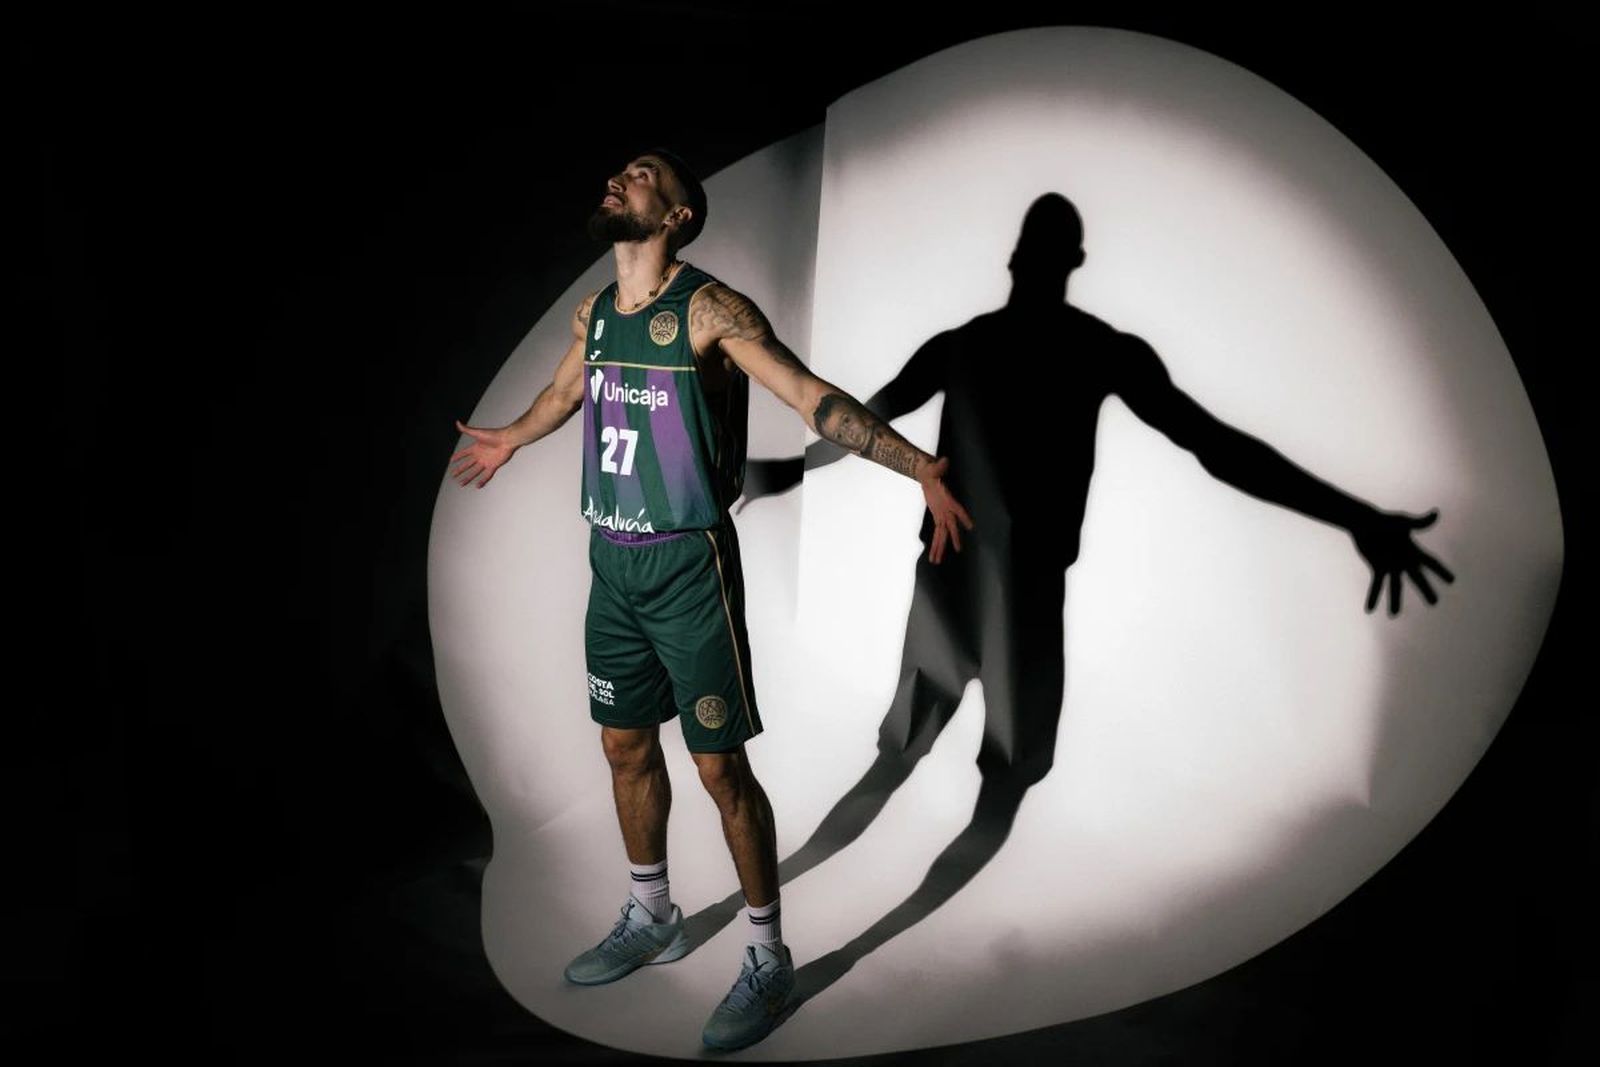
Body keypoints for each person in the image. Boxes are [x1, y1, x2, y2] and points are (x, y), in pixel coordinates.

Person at [448, 148, 974, 1052]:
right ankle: (652, 911)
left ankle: (768, 959)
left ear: (677, 215)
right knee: (623, 746)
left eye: (644, 174)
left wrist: (920, 465)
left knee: (719, 767)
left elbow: (809, 397)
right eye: (622, 168)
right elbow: (565, 392)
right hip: (612, 563)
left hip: (689, 568)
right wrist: (511, 437)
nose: (622, 176)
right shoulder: (594, 314)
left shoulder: (710, 312)